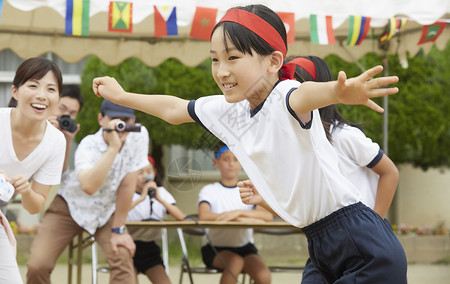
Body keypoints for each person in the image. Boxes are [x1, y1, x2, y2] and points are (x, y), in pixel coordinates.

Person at [92, 4, 407, 283]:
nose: (221, 71)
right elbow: (174, 109)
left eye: (233, 57)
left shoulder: (286, 95)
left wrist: (339, 92)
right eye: (215, 59)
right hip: (320, 243)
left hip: (360, 243)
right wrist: (122, 96)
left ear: (273, 61)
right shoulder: (229, 110)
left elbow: (308, 93)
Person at [241, 56, 401, 283]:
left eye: (297, 86)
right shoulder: (298, 147)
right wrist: (264, 198)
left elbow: (390, 172)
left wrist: (376, 222)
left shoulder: (343, 136)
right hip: (325, 248)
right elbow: (304, 211)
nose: (288, 93)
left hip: (362, 241)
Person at [26, 100, 149, 284]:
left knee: (123, 263)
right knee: (38, 264)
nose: (119, 125)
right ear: (101, 119)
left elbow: (127, 184)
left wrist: (119, 229)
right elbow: (89, 187)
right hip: (69, 207)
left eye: (125, 120)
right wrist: (113, 148)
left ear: (133, 120)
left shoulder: (138, 135)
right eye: (114, 118)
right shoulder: (88, 145)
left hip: (105, 211)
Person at [0, 57, 66, 284]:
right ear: (15, 91)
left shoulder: (56, 141)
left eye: (51, 89)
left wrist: (26, 191)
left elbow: (36, 204)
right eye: (33, 85)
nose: (42, 95)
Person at [198, 143, 272, 284]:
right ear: (216, 163)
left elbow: (267, 216)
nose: (231, 164)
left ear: (242, 163)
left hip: (245, 247)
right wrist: (244, 216)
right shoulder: (209, 190)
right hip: (215, 248)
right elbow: (204, 216)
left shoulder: (249, 188)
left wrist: (236, 214)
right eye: (226, 159)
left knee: (264, 276)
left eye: (236, 159)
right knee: (234, 262)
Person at [127, 155, 185, 284]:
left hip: (149, 248)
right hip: (128, 247)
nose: (145, 176)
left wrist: (159, 199)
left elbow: (181, 217)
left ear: (154, 172)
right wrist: (142, 197)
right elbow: (117, 215)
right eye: (140, 172)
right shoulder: (126, 192)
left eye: (148, 171)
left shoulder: (161, 192)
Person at [47, 84, 84, 175]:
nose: (66, 115)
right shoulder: (34, 125)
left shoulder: (63, 138)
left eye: (72, 113)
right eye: (62, 109)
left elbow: (61, 175)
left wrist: (68, 141)